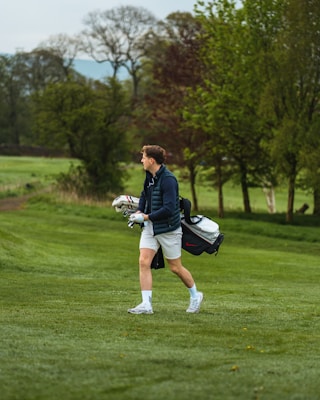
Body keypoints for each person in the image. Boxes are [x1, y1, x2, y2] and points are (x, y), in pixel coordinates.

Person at [127, 145, 203, 314]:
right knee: (143, 261)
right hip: (150, 227)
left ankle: (195, 295)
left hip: (169, 229)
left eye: (144, 157)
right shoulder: (150, 176)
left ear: (151, 160)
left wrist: (145, 217)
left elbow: (169, 209)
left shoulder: (169, 180)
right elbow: (144, 196)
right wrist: (140, 211)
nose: (142, 160)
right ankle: (146, 304)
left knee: (175, 267)